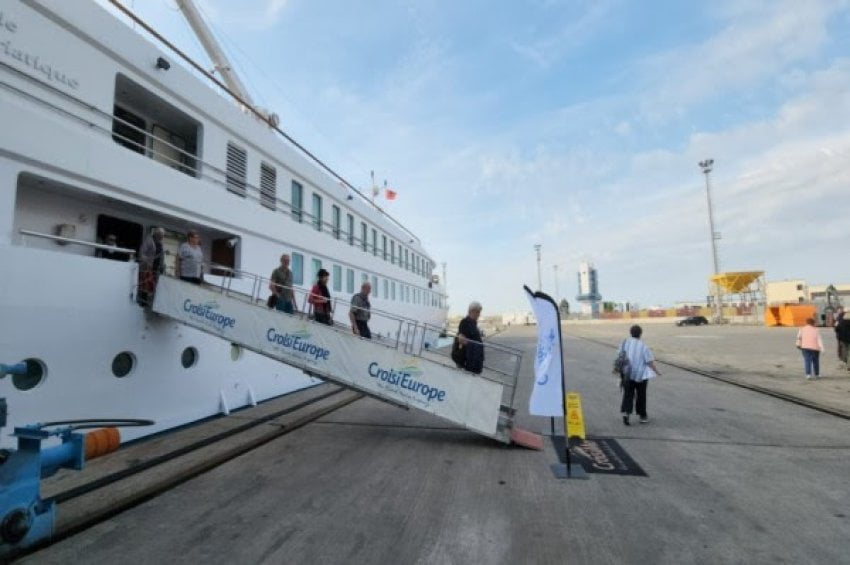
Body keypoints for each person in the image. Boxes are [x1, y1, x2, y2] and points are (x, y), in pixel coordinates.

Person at [619, 325, 660, 425]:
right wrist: (657, 371)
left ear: (630, 333)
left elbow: (620, 356)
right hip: (641, 375)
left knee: (628, 394)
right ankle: (642, 416)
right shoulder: (644, 346)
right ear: (640, 334)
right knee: (641, 395)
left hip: (627, 374)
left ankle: (626, 413)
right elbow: (649, 362)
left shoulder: (624, 344)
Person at [453, 301, 484, 374]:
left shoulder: (474, 324)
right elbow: (461, 339)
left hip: (474, 360)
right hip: (468, 361)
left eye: (479, 312)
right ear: (471, 311)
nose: (479, 314)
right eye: (478, 312)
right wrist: (476, 345)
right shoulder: (465, 322)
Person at [137, 227, 165, 305]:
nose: (162, 237)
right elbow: (141, 253)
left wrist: (162, 266)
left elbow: (161, 256)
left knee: (153, 287)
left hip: (156, 269)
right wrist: (147, 261)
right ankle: (142, 303)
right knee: (145, 286)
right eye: (160, 235)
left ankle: (150, 302)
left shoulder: (160, 244)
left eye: (163, 235)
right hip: (147, 268)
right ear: (156, 234)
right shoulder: (149, 240)